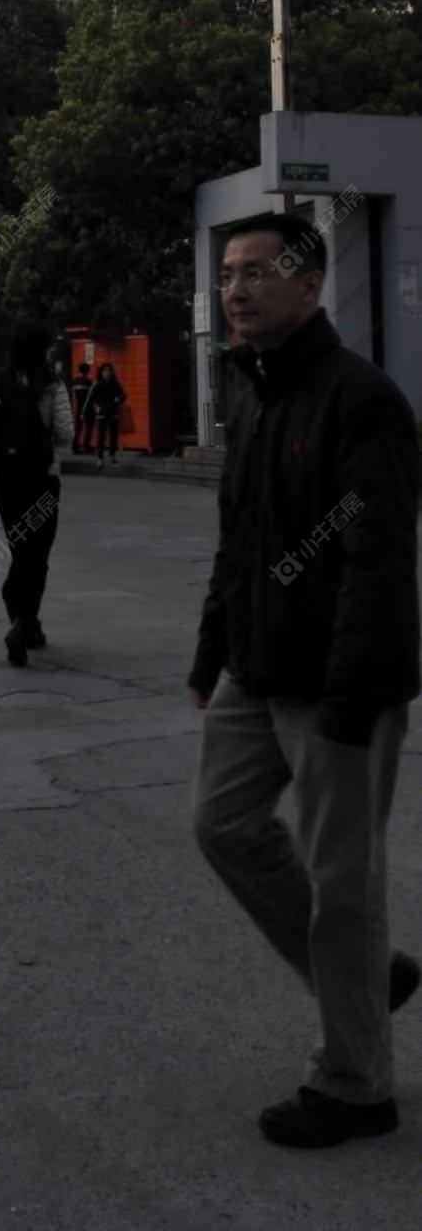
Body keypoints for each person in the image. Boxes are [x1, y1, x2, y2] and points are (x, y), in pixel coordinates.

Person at [188, 212, 420, 1149]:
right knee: (221, 826)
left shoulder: (361, 400)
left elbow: (377, 562)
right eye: (226, 274)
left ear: (310, 284)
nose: (235, 290)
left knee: (341, 887)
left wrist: (350, 699)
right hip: (254, 670)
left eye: (255, 272)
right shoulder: (250, 390)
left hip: (335, 686)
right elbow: (238, 535)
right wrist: (210, 649)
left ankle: (355, 1084)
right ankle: (372, 976)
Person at [0, 321, 73, 667]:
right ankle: (23, 621)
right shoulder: (53, 384)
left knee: (20, 547)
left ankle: (24, 620)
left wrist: (1, 458)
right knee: (37, 554)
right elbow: (66, 433)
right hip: (43, 481)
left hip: (7, 483)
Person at [87, 362, 126, 468]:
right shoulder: (98, 384)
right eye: (105, 371)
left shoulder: (115, 384)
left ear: (112, 372)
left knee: (113, 437)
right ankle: (100, 459)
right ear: (101, 372)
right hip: (102, 414)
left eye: (109, 371)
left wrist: (119, 399)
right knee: (101, 437)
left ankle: (112, 457)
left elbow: (123, 395)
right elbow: (91, 398)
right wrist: (95, 408)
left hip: (113, 413)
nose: (107, 373)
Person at [71, 361, 92, 454]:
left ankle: (74, 447)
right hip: (88, 407)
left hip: (79, 407)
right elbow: (91, 395)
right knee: (89, 427)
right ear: (87, 371)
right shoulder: (88, 382)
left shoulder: (74, 381)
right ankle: (86, 446)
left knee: (78, 428)